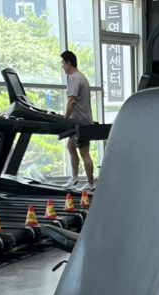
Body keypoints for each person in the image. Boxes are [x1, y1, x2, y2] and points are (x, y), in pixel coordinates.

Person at [61, 51, 95, 194]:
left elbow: (72, 101)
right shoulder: (80, 77)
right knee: (71, 147)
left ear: (69, 63)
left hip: (81, 123)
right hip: (77, 122)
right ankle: (74, 178)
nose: (62, 66)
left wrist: (64, 119)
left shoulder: (74, 78)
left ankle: (91, 185)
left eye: (63, 63)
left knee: (84, 153)